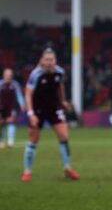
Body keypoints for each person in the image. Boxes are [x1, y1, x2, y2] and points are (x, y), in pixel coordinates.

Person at [22, 48, 80, 182]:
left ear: (55, 61)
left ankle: (67, 168)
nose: (49, 62)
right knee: (33, 139)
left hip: (54, 108)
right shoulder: (35, 74)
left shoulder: (60, 72)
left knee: (64, 136)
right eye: (47, 60)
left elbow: (60, 86)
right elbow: (28, 94)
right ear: (42, 61)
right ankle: (27, 171)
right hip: (38, 110)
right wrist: (31, 113)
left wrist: (63, 101)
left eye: (51, 60)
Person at [0, 68, 25, 148]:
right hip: (1, 107)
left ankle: (11, 141)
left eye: (10, 75)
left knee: (11, 122)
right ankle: (1, 141)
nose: (9, 76)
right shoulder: (0, 84)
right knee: (1, 123)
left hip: (11, 107)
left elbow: (19, 95)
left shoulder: (15, 84)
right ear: (4, 75)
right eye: (7, 75)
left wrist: (22, 105)